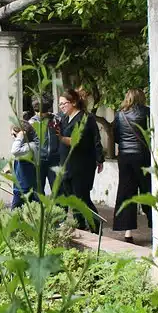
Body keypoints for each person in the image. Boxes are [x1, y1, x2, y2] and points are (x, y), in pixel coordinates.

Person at [55, 88, 103, 230]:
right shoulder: (64, 118)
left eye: (64, 104)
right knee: (73, 199)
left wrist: (61, 138)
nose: (62, 107)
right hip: (66, 163)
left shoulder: (85, 118)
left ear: (74, 102)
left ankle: (96, 227)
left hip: (82, 164)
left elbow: (78, 140)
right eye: (60, 104)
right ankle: (80, 226)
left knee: (82, 198)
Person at [113, 88, 155, 243]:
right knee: (148, 190)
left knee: (126, 192)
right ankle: (155, 228)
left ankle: (128, 232)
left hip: (124, 157)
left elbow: (117, 136)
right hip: (142, 155)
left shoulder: (119, 114)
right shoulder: (147, 112)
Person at [29, 95, 60, 195]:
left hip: (54, 159)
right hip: (38, 161)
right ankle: (38, 210)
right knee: (38, 190)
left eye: (42, 112)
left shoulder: (56, 120)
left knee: (58, 190)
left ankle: (59, 210)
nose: (39, 114)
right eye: (37, 111)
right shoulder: (31, 123)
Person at [10, 119, 39, 209]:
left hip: (24, 188)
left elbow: (14, 151)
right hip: (21, 186)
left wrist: (19, 137)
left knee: (15, 215)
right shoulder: (26, 146)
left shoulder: (30, 147)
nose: (13, 138)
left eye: (14, 135)